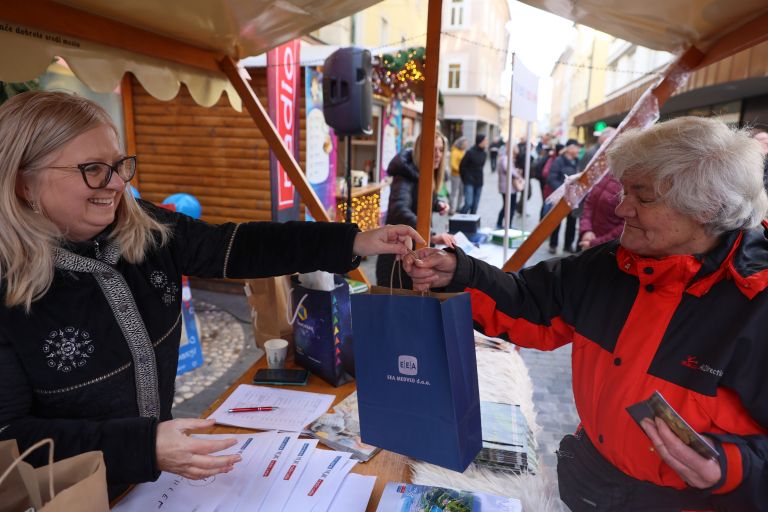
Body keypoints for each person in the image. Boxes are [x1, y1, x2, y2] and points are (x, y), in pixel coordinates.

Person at [0, 91, 423, 499]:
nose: (114, 184)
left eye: (118, 165)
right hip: (69, 496)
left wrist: (355, 242)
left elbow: (237, 247)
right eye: (93, 168)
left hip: (157, 481)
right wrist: (142, 446)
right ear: (23, 183)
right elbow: (9, 436)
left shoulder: (145, 227)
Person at [404, 116, 768, 511]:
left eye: (642, 197)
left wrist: (733, 468)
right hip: (594, 485)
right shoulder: (611, 263)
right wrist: (461, 274)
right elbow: (529, 305)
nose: (621, 206)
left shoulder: (756, 302)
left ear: (707, 206)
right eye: (625, 190)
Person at [376, 130, 454, 289]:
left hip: (410, 254)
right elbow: (399, 209)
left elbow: (416, 200)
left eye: (440, 150)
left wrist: (436, 204)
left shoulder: (424, 173)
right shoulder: (404, 175)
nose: (437, 154)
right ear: (421, 151)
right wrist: (431, 235)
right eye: (433, 149)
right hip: (395, 258)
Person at [546, 140, 581, 253]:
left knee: (572, 222)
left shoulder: (577, 161)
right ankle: (553, 245)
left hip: (573, 198)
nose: (579, 151)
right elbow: (551, 178)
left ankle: (568, 245)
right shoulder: (559, 161)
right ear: (570, 149)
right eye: (577, 148)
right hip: (561, 198)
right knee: (556, 222)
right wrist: (564, 191)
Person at [459, 134, 487, 214]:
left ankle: (471, 224)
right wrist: (465, 179)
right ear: (480, 142)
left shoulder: (484, 154)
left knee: (475, 206)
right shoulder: (470, 152)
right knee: (468, 203)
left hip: (479, 182)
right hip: (469, 181)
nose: (486, 142)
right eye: (485, 140)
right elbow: (462, 166)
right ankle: (458, 220)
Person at [496, 144, 521, 229]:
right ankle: (504, 225)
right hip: (507, 187)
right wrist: (517, 175)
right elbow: (508, 169)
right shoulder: (505, 158)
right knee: (509, 207)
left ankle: (505, 224)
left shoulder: (507, 158)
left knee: (509, 206)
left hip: (509, 187)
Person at [449, 136, 468, 214]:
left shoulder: (463, 151)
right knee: (454, 192)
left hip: (462, 175)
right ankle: (451, 209)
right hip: (456, 175)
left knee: (461, 192)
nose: (466, 145)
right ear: (461, 143)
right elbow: (453, 164)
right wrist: (461, 170)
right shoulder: (455, 152)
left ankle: (458, 207)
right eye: (465, 143)